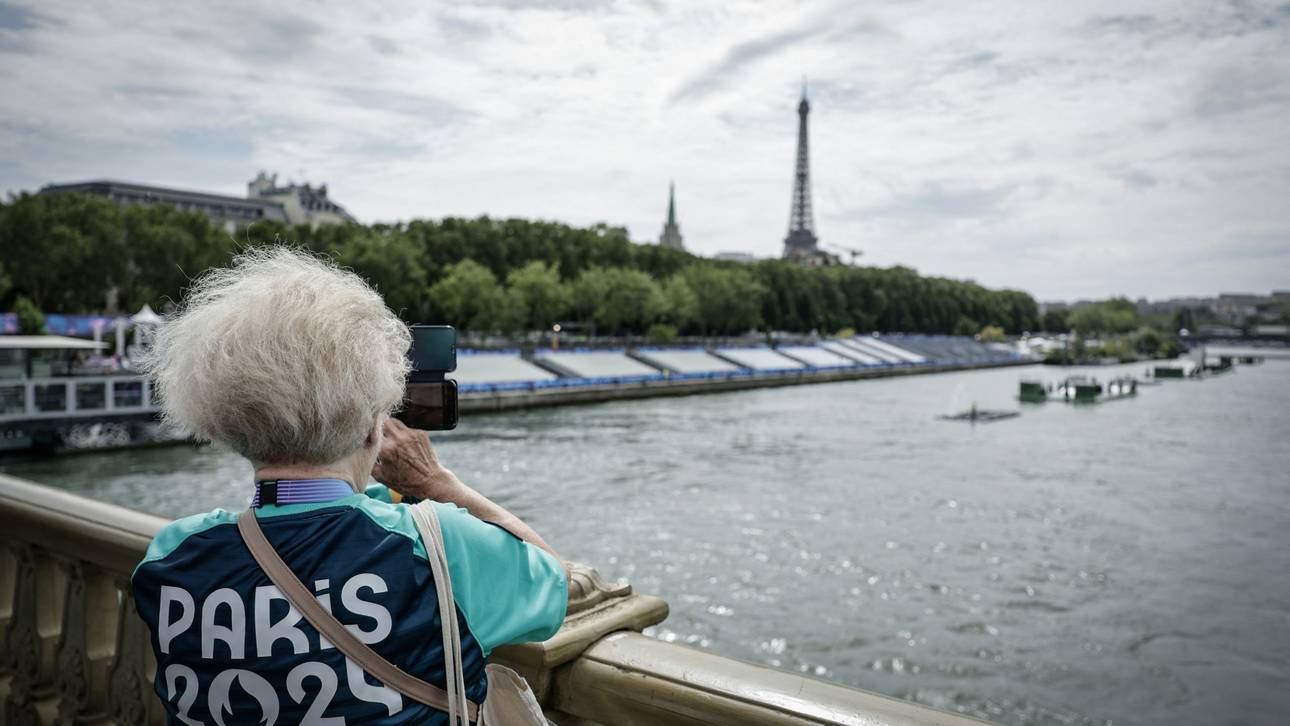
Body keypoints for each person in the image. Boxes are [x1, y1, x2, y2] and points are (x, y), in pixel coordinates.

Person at [131, 247, 567, 724]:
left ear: (226, 426)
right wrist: (436, 483)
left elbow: (295, 535)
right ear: (372, 426)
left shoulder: (173, 556)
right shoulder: (439, 544)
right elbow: (552, 581)